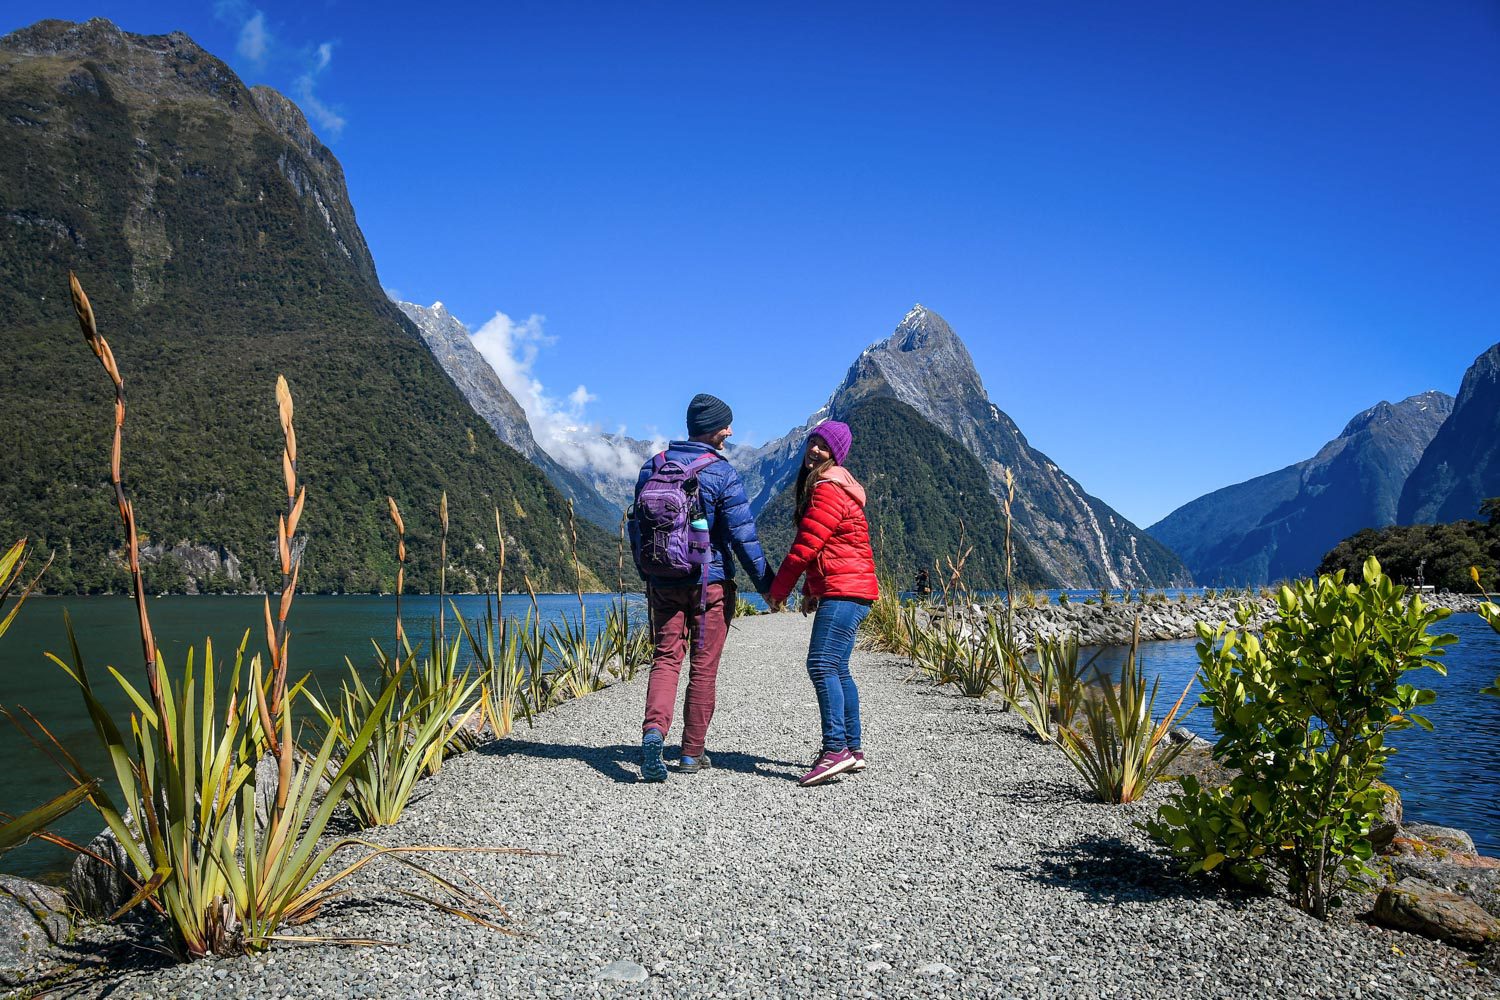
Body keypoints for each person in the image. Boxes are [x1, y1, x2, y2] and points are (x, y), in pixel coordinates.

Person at [634, 393, 774, 782]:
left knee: (665, 659)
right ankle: (692, 754)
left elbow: (636, 528)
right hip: (708, 583)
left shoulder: (653, 467)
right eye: (725, 425)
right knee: (703, 668)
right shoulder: (721, 472)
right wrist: (768, 587)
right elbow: (744, 538)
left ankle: (653, 734)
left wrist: (647, 573)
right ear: (711, 428)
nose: (729, 431)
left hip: (663, 580)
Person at [766, 420, 879, 787]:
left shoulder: (828, 488)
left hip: (846, 591)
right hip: (851, 590)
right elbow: (831, 549)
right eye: (813, 442)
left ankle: (836, 750)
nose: (814, 450)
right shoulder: (836, 487)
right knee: (838, 668)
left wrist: (778, 590)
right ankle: (853, 749)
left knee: (820, 664)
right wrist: (812, 591)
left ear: (835, 456)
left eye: (823, 447)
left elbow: (806, 546)